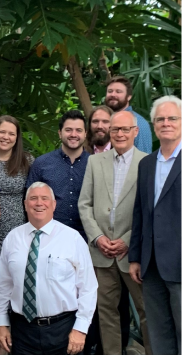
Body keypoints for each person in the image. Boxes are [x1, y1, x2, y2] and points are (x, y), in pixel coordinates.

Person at [79, 111, 152, 355]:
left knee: (146, 311)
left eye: (125, 129)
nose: (119, 133)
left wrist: (127, 241)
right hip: (101, 252)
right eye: (115, 129)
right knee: (106, 312)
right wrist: (98, 238)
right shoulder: (94, 162)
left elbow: (150, 210)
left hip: (133, 254)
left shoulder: (147, 163)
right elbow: (84, 204)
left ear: (135, 131)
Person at [0, 182, 97, 355]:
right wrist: (2, 323)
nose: (39, 203)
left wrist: (80, 329)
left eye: (44, 198)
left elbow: (88, 288)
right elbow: (4, 286)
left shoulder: (72, 238)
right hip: (22, 331)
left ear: (54, 204)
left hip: (63, 330)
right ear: (25, 205)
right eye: (33, 198)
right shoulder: (12, 238)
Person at [129, 95, 182, 354]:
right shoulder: (147, 163)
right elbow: (140, 213)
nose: (166, 123)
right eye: (160, 119)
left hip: (180, 263)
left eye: (172, 118)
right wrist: (136, 257)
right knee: (159, 333)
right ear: (153, 124)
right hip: (151, 266)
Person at [26, 110, 89, 241]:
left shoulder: (95, 164)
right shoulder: (42, 163)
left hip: (87, 238)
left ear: (85, 134)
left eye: (78, 130)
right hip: (49, 237)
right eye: (68, 130)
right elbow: (30, 201)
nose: (73, 134)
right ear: (60, 133)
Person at [0, 115, 34, 254]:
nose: (6, 137)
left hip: (19, 231)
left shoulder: (27, 161)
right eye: (2, 132)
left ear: (17, 138)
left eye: (11, 134)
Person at [105, 76, 152, 153]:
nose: (113, 94)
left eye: (118, 91)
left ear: (129, 97)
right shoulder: (103, 121)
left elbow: (143, 159)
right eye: (110, 91)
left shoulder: (139, 123)